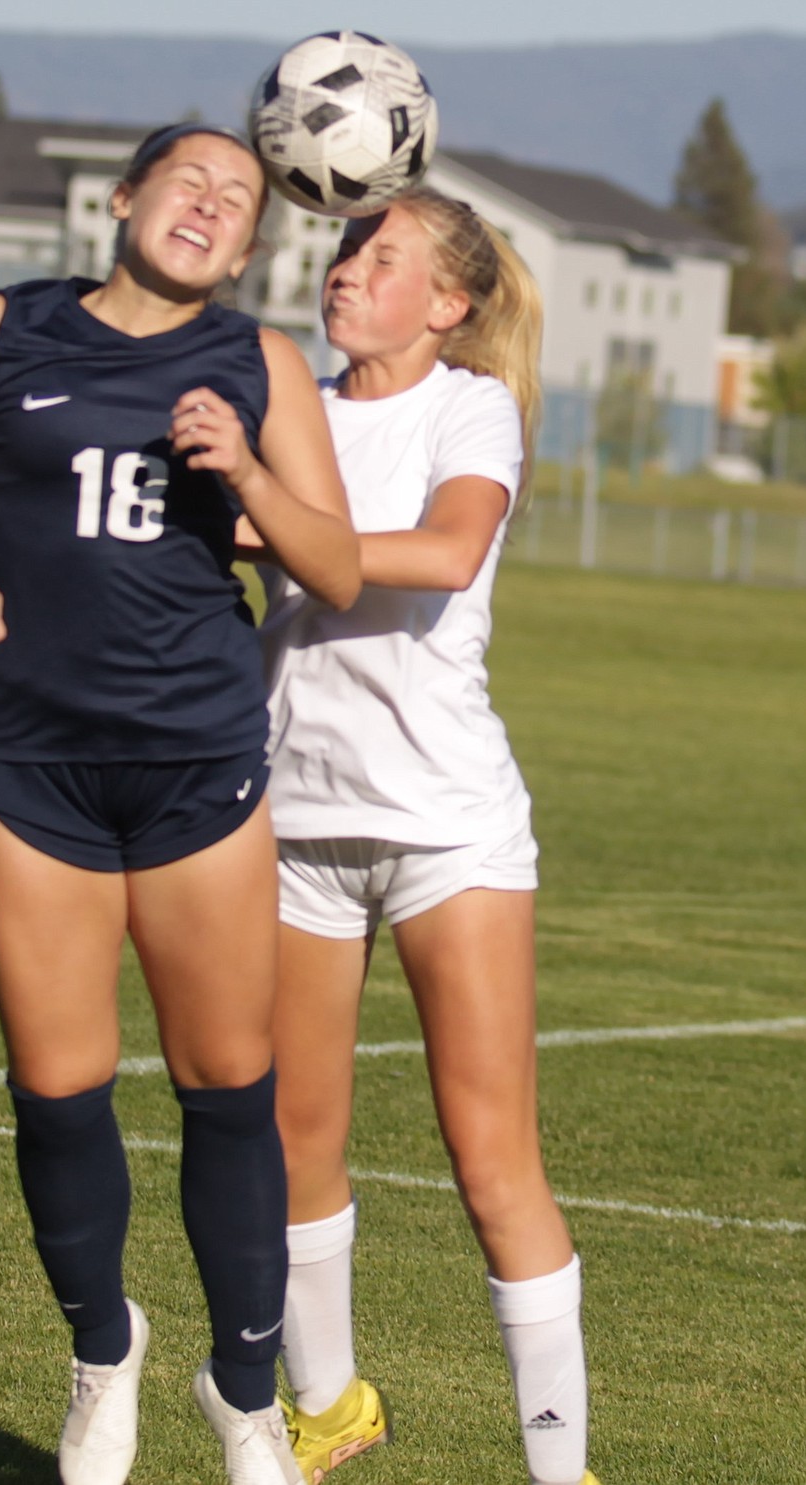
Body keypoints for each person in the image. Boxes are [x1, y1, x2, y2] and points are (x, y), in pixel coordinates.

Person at [0, 122, 360, 1485]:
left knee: (226, 1085)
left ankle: (246, 1397)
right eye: (186, 181)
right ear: (126, 197)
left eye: (237, 200)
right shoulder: (0, 326)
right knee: (58, 1088)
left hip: (197, 762)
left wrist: (247, 472)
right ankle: (102, 1348)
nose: (207, 205)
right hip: (27, 761)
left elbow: (339, 566)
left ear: (250, 247)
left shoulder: (253, 364)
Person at [254, 187, 601, 1485]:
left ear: (447, 303)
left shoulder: (468, 405)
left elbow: (448, 550)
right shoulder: (286, 406)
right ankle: (328, 1405)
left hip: (443, 826)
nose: (348, 267)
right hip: (292, 813)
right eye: (347, 245)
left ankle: (558, 1471)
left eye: (381, 255)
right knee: (292, 1135)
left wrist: (261, 515)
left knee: (490, 1158)